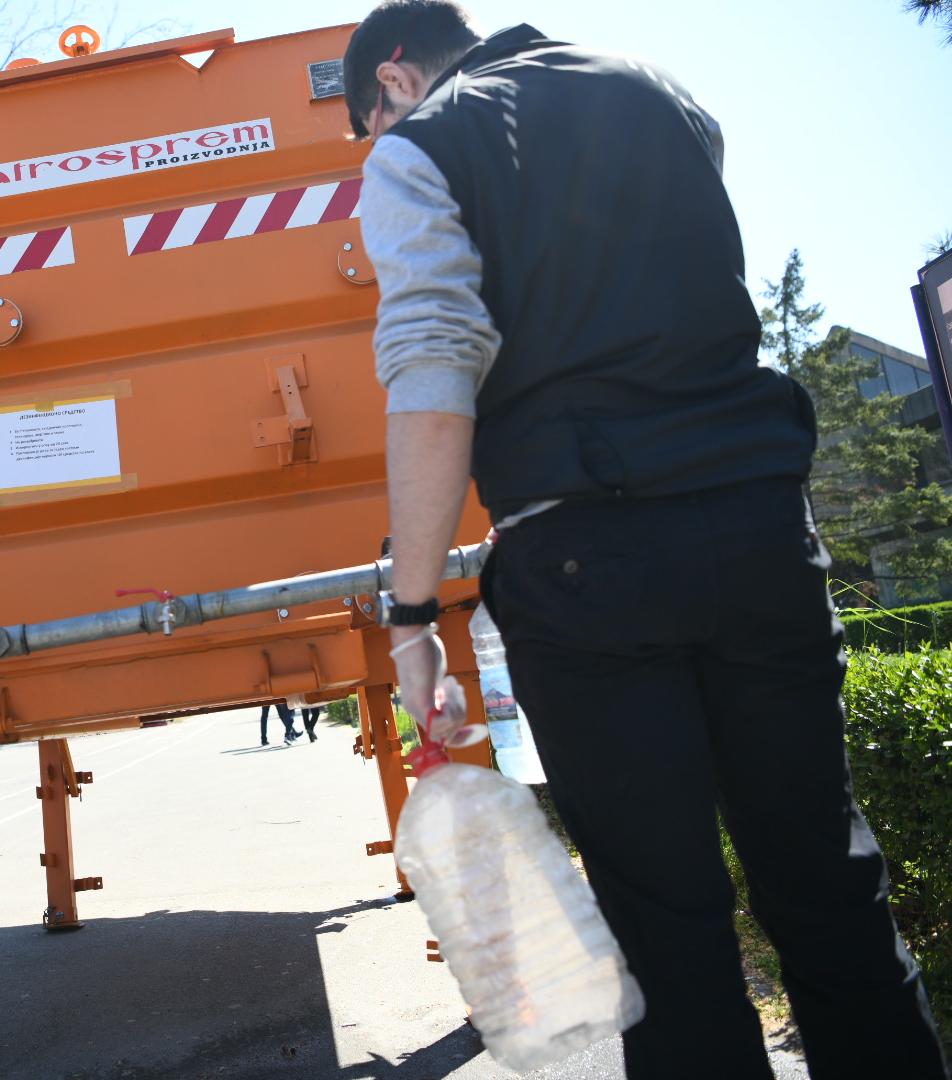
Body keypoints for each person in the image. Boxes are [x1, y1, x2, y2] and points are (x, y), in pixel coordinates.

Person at [343, 4, 949, 1079]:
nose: (376, 142)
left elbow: (435, 375)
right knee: (829, 887)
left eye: (370, 121)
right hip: (762, 525)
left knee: (668, 933)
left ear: (393, 78)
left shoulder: (422, 145)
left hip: (589, 566)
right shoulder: (663, 91)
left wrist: (412, 614)